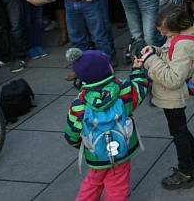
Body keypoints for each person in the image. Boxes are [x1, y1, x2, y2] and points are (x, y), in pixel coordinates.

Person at [64, 47, 149, 201]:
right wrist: (137, 71)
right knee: (117, 185)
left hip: (96, 154)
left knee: (92, 182)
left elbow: (71, 133)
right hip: (121, 150)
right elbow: (140, 89)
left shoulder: (79, 103)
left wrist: (84, 146)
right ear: (106, 70)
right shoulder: (123, 90)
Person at [141, 6, 194, 190]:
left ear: (175, 27)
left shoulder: (184, 45)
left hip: (172, 97)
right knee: (181, 130)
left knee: (179, 134)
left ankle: (185, 173)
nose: (159, 31)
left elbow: (173, 79)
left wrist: (149, 61)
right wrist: (154, 51)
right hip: (170, 96)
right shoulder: (179, 37)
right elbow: (168, 52)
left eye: (162, 28)